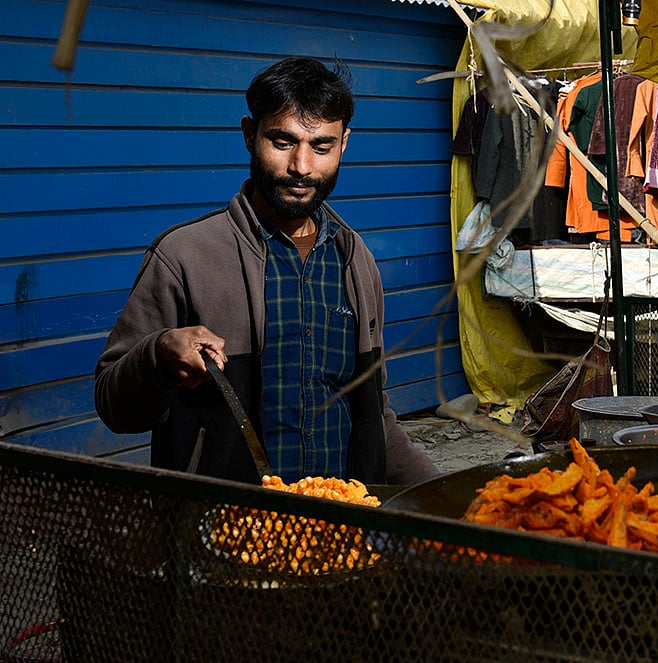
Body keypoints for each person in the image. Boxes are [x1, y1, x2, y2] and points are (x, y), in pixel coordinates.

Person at [94, 56, 440, 486]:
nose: (301, 166)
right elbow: (114, 407)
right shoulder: (184, 256)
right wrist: (158, 354)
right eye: (282, 142)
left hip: (340, 529)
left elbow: (372, 415)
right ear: (249, 135)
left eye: (321, 146)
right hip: (220, 532)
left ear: (344, 144)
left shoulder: (356, 262)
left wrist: (448, 501)